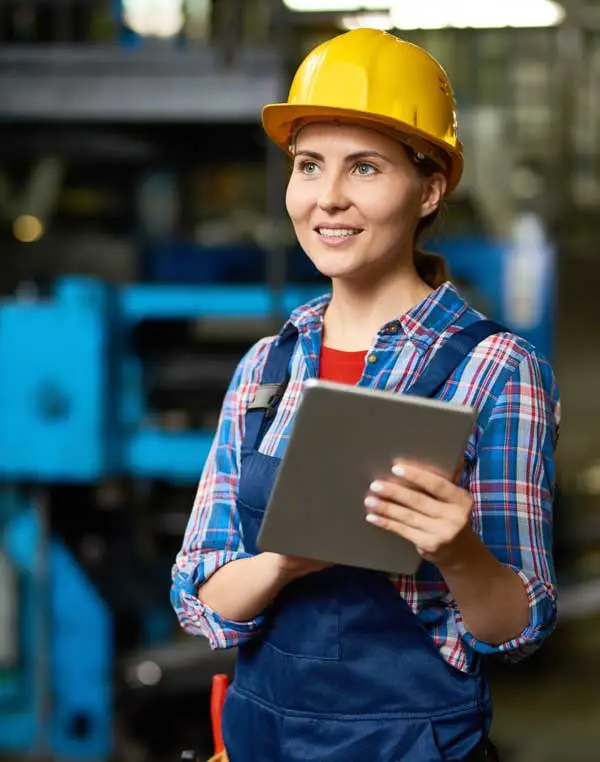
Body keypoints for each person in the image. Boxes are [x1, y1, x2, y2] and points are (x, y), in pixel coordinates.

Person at [171, 28, 559, 762]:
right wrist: (283, 563)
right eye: (309, 165)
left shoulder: (497, 368)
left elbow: (517, 629)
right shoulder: (265, 368)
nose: (329, 199)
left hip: (412, 745)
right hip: (258, 741)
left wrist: (461, 553)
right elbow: (202, 602)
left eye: (367, 168)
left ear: (431, 188)